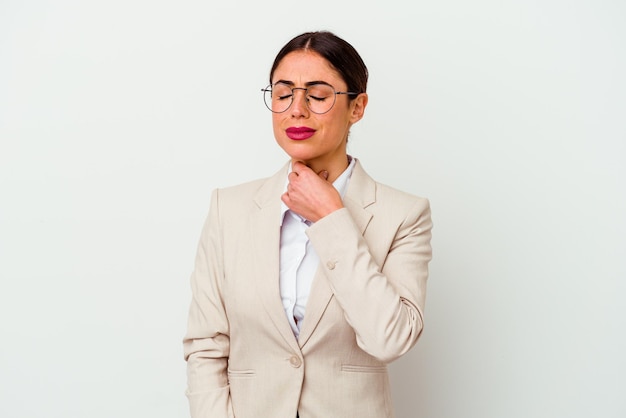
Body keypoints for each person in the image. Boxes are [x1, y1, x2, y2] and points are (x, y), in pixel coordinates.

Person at [183, 31, 433, 418]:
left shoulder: (404, 215)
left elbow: (390, 338)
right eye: (283, 94)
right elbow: (206, 347)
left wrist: (332, 219)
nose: (296, 110)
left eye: (317, 96)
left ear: (357, 107)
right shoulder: (227, 209)